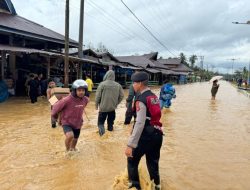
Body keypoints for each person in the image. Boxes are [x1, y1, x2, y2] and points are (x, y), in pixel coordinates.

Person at [125, 72, 163, 190]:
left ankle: (135, 187)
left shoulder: (141, 99)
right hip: (158, 134)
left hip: (145, 135)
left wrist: (130, 145)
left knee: (131, 160)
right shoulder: (153, 96)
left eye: (134, 83)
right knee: (153, 162)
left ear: (140, 83)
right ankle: (157, 185)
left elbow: (140, 123)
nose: (133, 85)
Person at [51, 79, 89, 151]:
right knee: (70, 136)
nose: (81, 92)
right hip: (67, 122)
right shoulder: (67, 99)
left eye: (83, 90)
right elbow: (54, 107)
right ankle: (67, 150)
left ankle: (73, 149)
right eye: (79, 90)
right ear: (74, 91)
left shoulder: (86, 99)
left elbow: (82, 107)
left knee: (75, 138)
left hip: (77, 123)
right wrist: (55, 117)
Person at [95, 70, 124, 136]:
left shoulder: (102, 84)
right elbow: (122, 96)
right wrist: (116, 103)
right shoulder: (118, 85)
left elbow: (98, 96)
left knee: (100, 124)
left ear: (106, 75)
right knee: (110, 124)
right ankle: (110, 136)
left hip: (103, 109)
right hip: (112, 109)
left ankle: (102, 138)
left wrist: (96, 105)